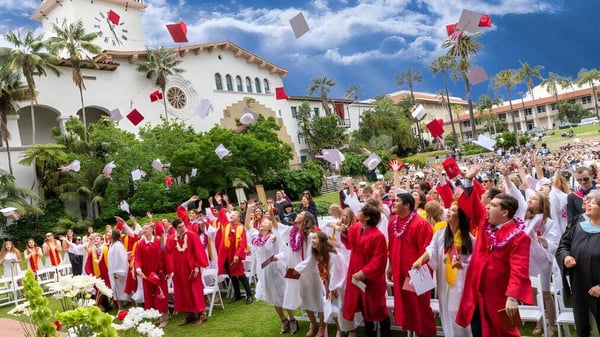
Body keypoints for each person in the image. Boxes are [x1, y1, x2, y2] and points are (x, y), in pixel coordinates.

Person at [456, 166, 533, 337]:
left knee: (506, 331)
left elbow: (519, 269)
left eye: (493, 206)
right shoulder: (486, 224)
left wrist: (512, 297)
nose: (487, 208)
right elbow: (474, 206)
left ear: (505, 212)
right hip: (477, 288)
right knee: (478, 329)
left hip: (500, 294)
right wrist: (468, 181)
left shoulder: (519, 237)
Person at [412, 203, 475, 337]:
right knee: (445, 311)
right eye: (449, 209)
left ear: (460, 217)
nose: (448, 212)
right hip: (444, 280)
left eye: (452, 210)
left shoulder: (469, 240)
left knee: (456, 312)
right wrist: (421, 260)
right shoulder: (440, 235)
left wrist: (462, 266)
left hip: (460, 283)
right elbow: (431, 249)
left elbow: (475, 263)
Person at [387, 192, 436, 337]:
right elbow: (390, 246)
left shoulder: (421, 224)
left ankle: (426, 333)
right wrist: (390, 266)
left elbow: (427, 252)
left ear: (407, 205)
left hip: (416, 274)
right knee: (405, 306)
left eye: (397, 201)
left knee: (419, 307)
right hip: (399, 271)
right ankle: (411, 332)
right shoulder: (393, 222)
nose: (393, 203)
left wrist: (418, 273)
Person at [341, 204, 390, 337]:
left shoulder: (378, 236)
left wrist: (364, 272)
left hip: (370, 278)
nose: (358, 212)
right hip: (355, 270)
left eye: (361, 211)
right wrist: (344, 232)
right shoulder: (357, 227)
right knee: (362, 305)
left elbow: (379, 260)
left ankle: (385, 333)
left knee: (377, 308)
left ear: (367, 217)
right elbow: (351, 244)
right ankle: (370, 332)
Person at [556, 191, 600, 337]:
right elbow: (563, 246)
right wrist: (566, 257)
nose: (587, 204)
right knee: (583, 328)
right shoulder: (578, 224)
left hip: (598, 289)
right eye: (588, 201)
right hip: (580, 285)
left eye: (593, 202)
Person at [251, 218, 298, 335]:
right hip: (265, 271)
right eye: (261, 223)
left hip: (276, 270)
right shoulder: (257, 239)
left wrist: (278, 257)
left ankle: (292, 319)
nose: (262, 224)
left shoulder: (274, 238)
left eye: (265, 223)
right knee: (273, 296)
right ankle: (283, 320)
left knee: (283, 295)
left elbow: (285, 252)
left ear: (270, 227)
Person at [523, 192, 560, 335]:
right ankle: (539, 320)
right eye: (530, 198)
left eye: (534, 199)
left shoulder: (548, 222)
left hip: (542, 260)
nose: (530, 200)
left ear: (542, 203)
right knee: (532, 291)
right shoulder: (526, 219)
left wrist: (542, 240)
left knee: (545, 293)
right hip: (529, 259)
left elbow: (553, 242)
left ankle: (552, 323)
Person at [166, 219, 209, 326]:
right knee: (184, 291)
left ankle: (202, 314)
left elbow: (198, 251)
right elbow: (168, 253)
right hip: (179, 270)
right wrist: (170, 270)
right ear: (175, 229)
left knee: (195, 290)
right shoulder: (172, 238)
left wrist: (196, 267)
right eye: (180, 227)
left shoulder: (191, 235)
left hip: (191, 268)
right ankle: (190, 314)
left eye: (183, 226)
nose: (183, 228)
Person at [310, 231, 353, 337]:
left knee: (342, 307)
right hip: (328, 283)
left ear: (322, 241)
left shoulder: (333, 255)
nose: (312, 241)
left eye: (315, 238)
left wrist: (332, 289)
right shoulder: (319, 254)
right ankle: (339, 329)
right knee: (332, 307)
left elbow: (336, 273)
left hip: (339, 284)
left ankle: (351, 331)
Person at [293, 212, 326, 337]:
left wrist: (298, 268)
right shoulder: (297, 233)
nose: (298, 213)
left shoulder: (311, 234)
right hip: (300, 269)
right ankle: (313, 324)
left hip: (311, 271)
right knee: (305, 297)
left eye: (301, 213)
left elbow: (311, 258)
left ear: (306, 218)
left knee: (317, 298)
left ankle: (322, 325)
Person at [134, 223, 170, 328]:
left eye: (146, 228)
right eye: (143, 229)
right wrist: (138, 269)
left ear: (152, 229)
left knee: (161, 296)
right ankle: (156, 317)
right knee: (150, 296)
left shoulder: (158, 241)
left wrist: (168, 271)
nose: (144, 230)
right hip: (147, 276)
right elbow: (137, 258)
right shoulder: (140, 244)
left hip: (159, 274)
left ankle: (164, 318)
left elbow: (165, 256)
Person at [217, 210, 254, 304]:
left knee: (241, 275)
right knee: (232, 276)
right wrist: (219, 204)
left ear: (239, 218)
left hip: (236, 254)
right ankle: (237, 295)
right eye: (231, 215)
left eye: (234, 215)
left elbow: (243, 243)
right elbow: (222, 216)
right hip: (227, 254)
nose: (231, 216)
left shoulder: (241, 228)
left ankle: (249, 295)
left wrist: (237, 254)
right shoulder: (227, 226)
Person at [84, 233, 112, 312]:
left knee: (109, 288)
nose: (95, 240)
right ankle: (99, 306)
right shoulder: (91, 252)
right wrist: (91, 275)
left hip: (107, 273)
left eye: (97, 239)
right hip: (97, 275)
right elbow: (87, 265)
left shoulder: (106, 249)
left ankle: (117, 304)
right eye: (94, 239)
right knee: (99, 291)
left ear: (102, 241)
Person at [108, 230, 130, 311]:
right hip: (113, 270)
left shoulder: (118, 245)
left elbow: (121, 259)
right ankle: (120, 308)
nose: (107, 235)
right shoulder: (111, 245)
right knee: (116, 289)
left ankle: (123, 308)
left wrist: (117, 272)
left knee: (121, 289)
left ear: (113, 236)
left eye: (110, 233)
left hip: (118, 271)